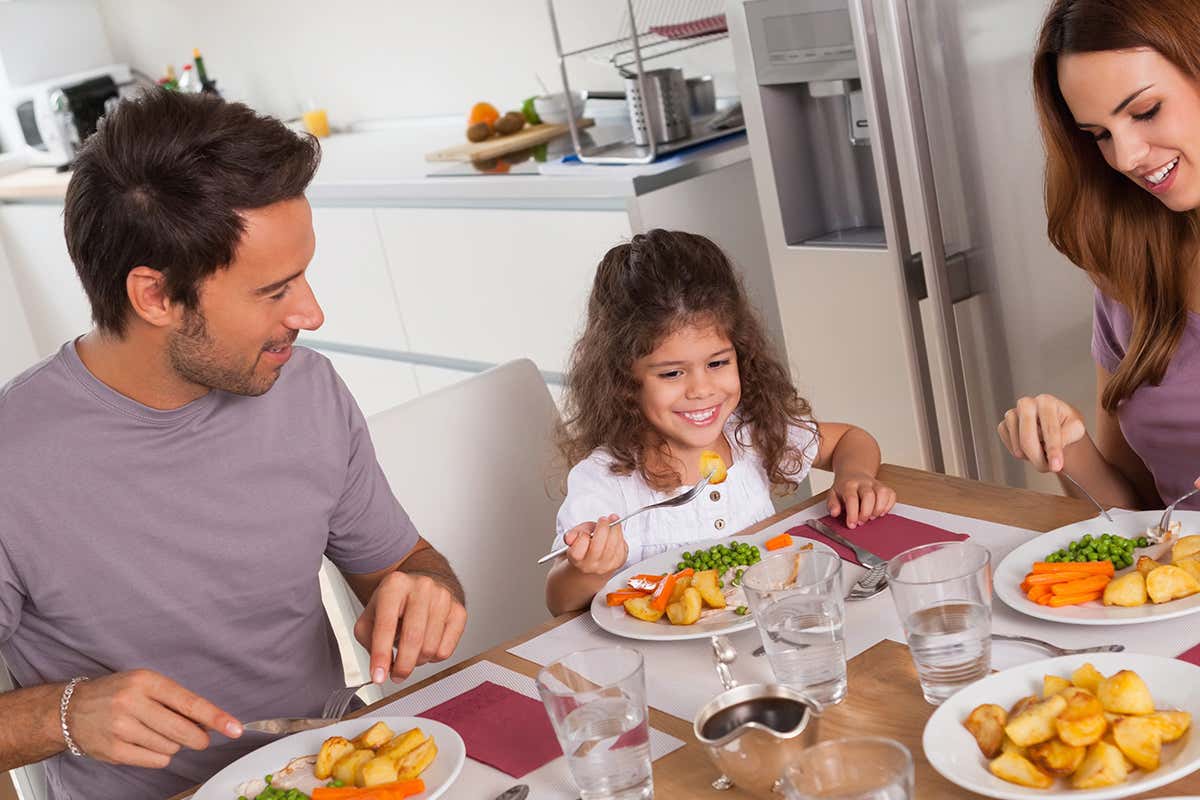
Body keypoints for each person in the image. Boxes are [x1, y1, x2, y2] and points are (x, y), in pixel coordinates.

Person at [0, 91, 467, 799]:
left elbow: (405, 566)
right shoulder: (14, 463)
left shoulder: (308, 389)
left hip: (332, 774)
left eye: (303, 275)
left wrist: (425, 592)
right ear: (156, 296)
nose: (312, 312)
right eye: (273, 291)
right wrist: (61, 715)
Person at [544, 230, 896, 615]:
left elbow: (850, 439)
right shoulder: (606, 481)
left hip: (774, 626)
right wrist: (588, 570)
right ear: (624, 381)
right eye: (672, 373)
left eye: (717, 363)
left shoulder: (748, 433)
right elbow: (559, 601)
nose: (702, 389)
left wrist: (854, 476)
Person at [998, 0, 1200, 511]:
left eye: (1146, 111)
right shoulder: (1129, 270)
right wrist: (1067, 446)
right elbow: (1137, 509)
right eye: (1100, 135)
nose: (1126, 157)